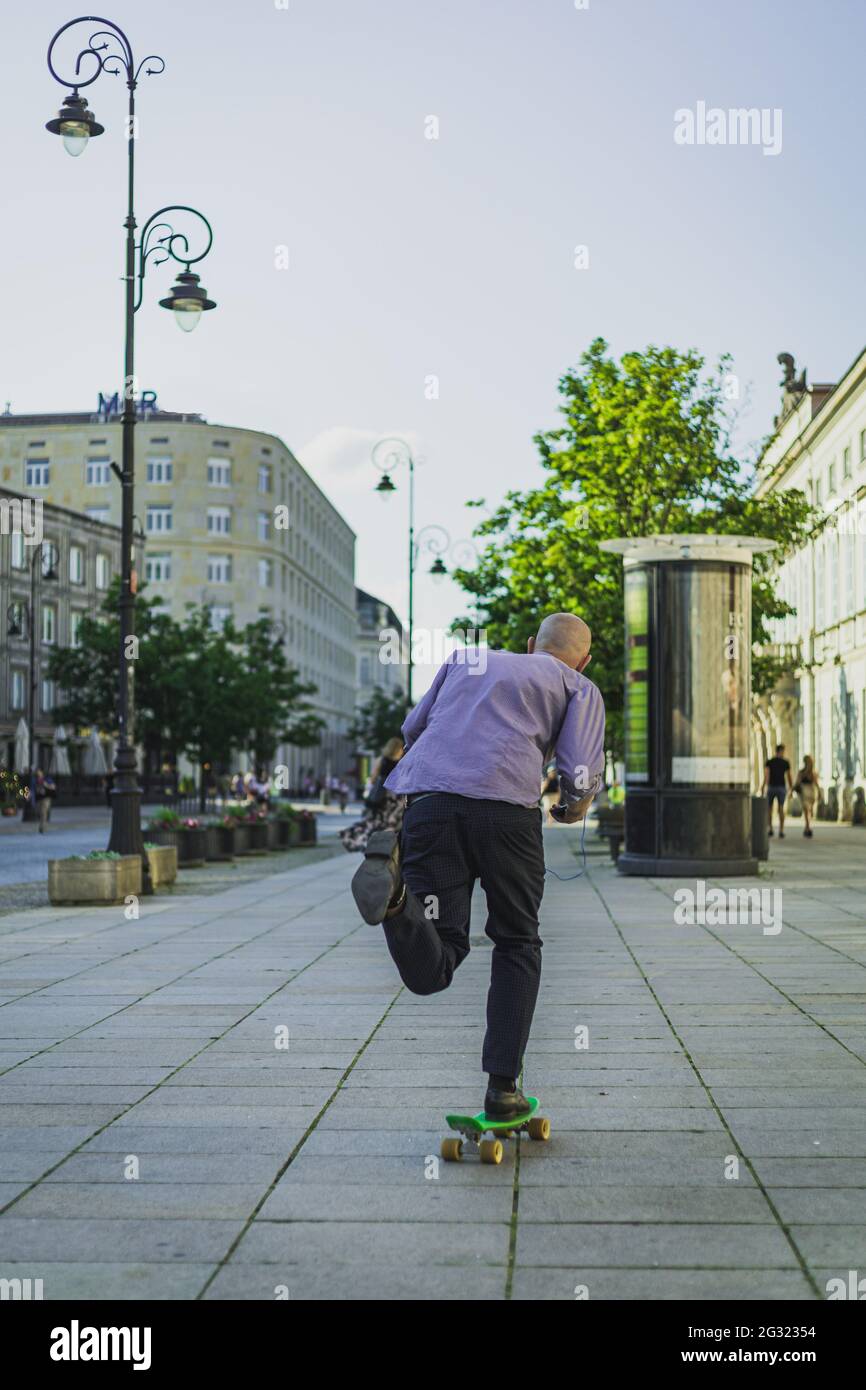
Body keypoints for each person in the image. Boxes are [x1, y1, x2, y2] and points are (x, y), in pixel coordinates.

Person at [350, 613, 604, 1121]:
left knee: (438, 956)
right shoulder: (577, 684)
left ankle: (397, 901)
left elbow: (413, 729)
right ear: (585, 659)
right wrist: (572, 807)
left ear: (532, 643)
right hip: (506, 816)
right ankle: (502, 1089)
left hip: (431, 808)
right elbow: (578, 770)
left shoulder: (465, 658)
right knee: (516, 940)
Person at [340, 738, 405, 852]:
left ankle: (368, 842)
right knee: (393, 822)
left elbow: (373, 777)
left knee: (377, 822)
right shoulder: (402, 762)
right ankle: (390, 846)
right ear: (398, 749)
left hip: (382, 794)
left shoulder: (382, 760)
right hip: (395, 796)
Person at [763, 743, 793, 838]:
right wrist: (791, 788)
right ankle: (781, 830)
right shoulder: (785, 762)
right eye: (783, 751)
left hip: (771, 787)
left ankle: (770, 828)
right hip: (781, 787)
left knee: (769, 809)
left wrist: (764, 786)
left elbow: (766, 776)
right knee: (781, 808)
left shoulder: (769, 762)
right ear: (781, 751)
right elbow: (789, 776)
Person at [793, 755, 821, 838]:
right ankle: (808, 827)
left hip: (811, 793)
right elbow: (797, 782)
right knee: (806, 810)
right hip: (804, 793)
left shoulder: (812, 773)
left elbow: (816, 783)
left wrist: (819, 793)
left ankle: (807, 826)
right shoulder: (802, 772)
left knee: (809, 811)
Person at [34, 769, 55, 834]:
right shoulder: (35, 780)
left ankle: (42, 827)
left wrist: (46, 785)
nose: (38, 773)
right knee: (37, 812)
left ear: (42, 772)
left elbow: (53, 787)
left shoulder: (47, 779)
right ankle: (42, 823)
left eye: (39, 772)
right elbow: (33, 788)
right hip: (39, 798)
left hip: (46, 798)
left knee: (43, 812)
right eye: (37, 772)